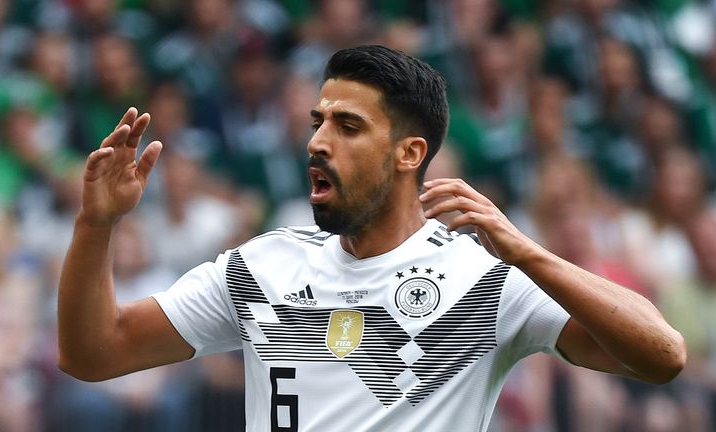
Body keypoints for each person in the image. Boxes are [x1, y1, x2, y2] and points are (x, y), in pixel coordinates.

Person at [58, 45, 686, 432]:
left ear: (410, 153)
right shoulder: (259, 268)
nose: (317, 141)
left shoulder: (487, 282)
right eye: (317, 121)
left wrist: (523, 251)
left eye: (348, 125)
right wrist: (96, 224)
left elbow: (662, 356)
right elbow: (94, 354)